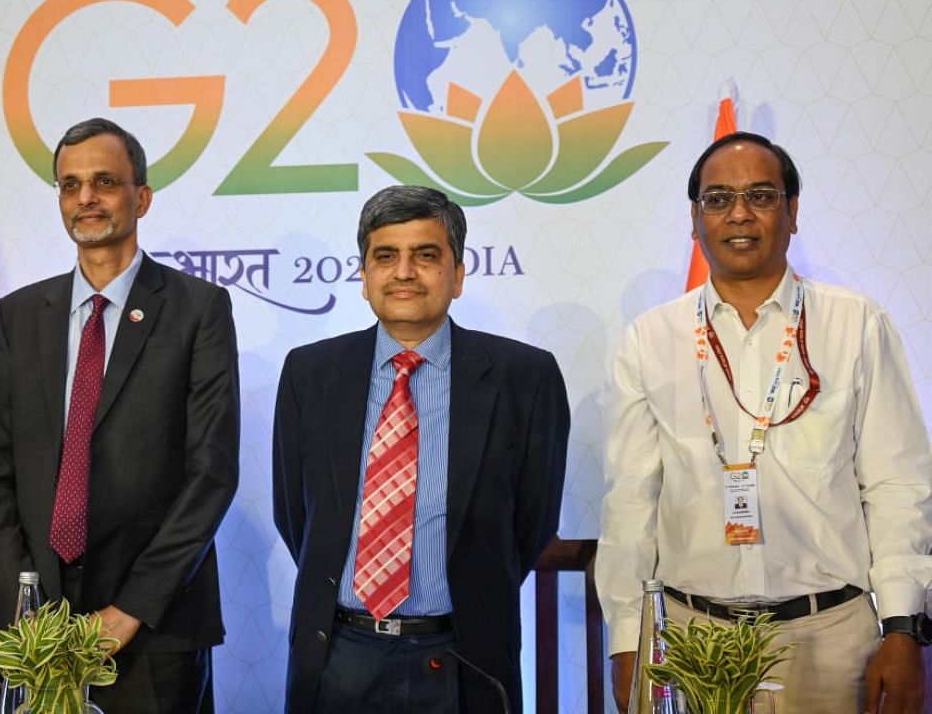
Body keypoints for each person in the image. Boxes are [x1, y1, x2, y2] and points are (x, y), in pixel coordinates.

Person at [596, 131, 932, 713]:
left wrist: (902, 628)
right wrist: (628, 638)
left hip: (830, 638)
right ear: (695, 218)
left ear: (793, 212)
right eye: (719, 198)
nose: (740, 214)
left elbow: (898, 486)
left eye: (762, 195)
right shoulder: (652, 338)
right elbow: (630, 501)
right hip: (690, 640)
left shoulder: (856, 325)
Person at [0, 117, 240, 713]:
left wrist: (132, 609)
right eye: (70, 185)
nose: (85, 198)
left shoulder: (198, 310)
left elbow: (211, 474)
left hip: (155, 628)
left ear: (140, 197)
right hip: (35, 634)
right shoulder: (18, 316)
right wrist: (23, 609)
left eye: (104, 182)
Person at [272, 185, 570, 713]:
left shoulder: (524, 377)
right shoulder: (309, 373)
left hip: (462, 657)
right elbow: (297, 515)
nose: (404, 272)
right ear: (364, 277)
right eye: (386, 256)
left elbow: (532, 522)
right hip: (338, 655)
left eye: (426, 255)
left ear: (456, 274)